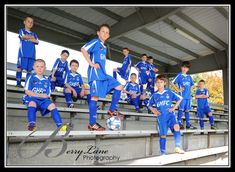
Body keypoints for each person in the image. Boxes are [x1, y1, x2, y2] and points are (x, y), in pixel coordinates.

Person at [81, 24, 124, 131]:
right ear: (98, 33)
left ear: (108, 35)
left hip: (103, 75)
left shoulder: (103, 46)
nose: (104, 33)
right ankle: (92, 124)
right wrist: (91, 63)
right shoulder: (96, 42)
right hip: (95, 75)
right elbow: (83, 49)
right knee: (94, 97)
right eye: (103, 31)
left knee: (119, 86)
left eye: (106, 32)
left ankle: (112, 110)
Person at [22, 59, 67, 131]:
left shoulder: (47, 80)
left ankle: (60, 126)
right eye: (37, 66)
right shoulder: (30, 77)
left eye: (42, 67)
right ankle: (32, 124)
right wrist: (39, 95)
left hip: (43, 100)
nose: (39, 68)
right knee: (32, 103)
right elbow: (27, 91)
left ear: (45, 68)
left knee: (52, 105)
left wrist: (42, 96)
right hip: (32, 98)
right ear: (34, 67)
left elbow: (47, 95)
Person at [148, 74, 184, 155]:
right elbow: (149, 105)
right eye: (157, 82)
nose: (159, 84)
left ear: (164, 83)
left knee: (177, 127)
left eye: (161, 82)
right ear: (156, 84)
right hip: (161, 118)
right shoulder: (155, 95)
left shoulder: (169, 92)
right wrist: (154, 111)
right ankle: (163, 152)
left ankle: (177, 147)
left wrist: (174, 108)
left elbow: (180, 98)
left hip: (170, 115)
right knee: (163, 135)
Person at [170, 61, 197, 130]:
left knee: (187, 110)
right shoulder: (179, 75)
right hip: (182, 97)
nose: (185, 69)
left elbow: (192, 85)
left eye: (186, 67)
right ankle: (179, 123)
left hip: (188, 97)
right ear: (181, 67)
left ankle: (188, 124)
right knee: (181, 109)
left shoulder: (189, 77)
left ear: (188, 69)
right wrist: (178, 90)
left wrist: (190, 91)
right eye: (183, 67)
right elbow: (172, 83)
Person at [16, 16, 39, 88]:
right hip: (23, 53)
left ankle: (27, 85)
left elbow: (37, 41)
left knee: (30, 70)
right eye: (28, 21)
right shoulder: (22, 30)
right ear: (24, 22)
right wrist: (31, 38)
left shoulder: (34, 33)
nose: (30, 23)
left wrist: (28, 37)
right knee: (20, 68)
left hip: (32, 55)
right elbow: (23, 36)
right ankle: (18, 83)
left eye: (31, 22)